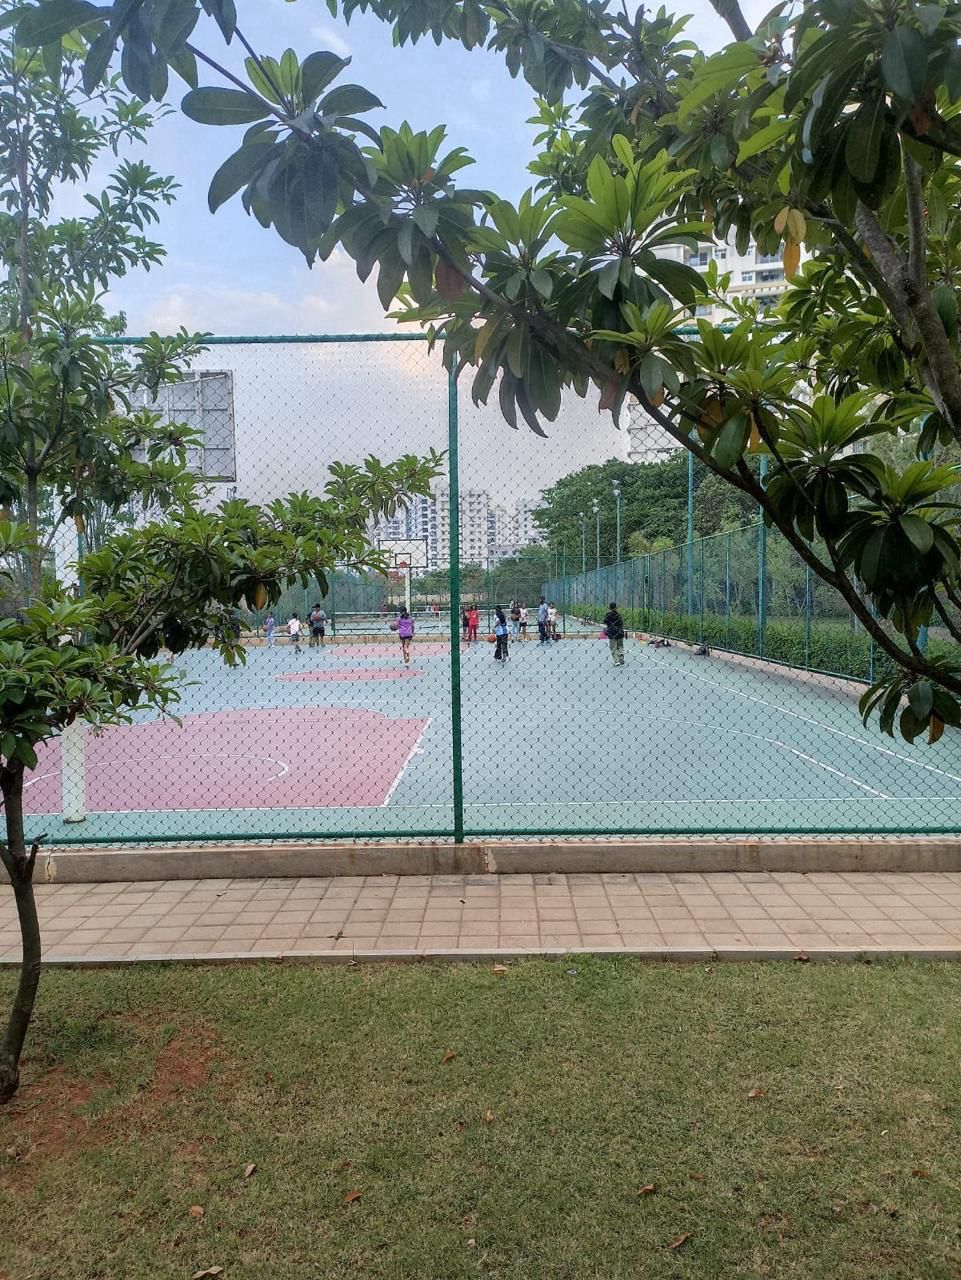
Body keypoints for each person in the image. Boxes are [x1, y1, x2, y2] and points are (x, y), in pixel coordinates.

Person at [604, 601, 626, 666]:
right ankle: (621, 656)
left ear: (609, 607)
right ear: (616, 607)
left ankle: (617, 661)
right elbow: (621, 623)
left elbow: (605, 621)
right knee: (620, 645)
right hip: (619, 631)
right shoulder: (618, 615)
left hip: (612, 632)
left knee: (613, 647)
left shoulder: (608, 615)